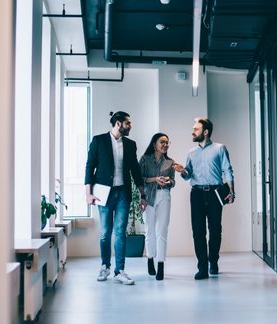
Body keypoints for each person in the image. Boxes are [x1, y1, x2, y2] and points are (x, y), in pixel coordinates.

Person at [85, 111, 147, 285]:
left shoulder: (130, 144)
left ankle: (119, 271)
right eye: (128, 123)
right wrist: (88, 193)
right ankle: (105, 266)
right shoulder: (99, 140)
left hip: (123, 193)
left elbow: (135, 170)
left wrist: (142, 195)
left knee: (120, 232)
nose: (130, 127)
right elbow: (90, 166)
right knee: (105, 232)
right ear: (118, 123)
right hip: (104, 193)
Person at [173, 118, 235, 280]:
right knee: (198, 231)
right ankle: (202, 268)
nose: (192, 132)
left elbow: (227, 170)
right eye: (193, 129)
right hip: (197, 194)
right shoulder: (191, 152)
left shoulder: (220, 148)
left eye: (196, 129)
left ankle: (213, 261)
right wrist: (182, 170)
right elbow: (188, 175)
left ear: (205, 132)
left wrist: (231, 191)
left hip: (215, 193)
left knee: (215, 231)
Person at [139, 133, 176, 281]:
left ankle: (161, 264)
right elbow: (140, 178)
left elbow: (173, 182)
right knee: (150, 230)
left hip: (164, 196)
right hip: (148, 197)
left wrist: (168, 180)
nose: (165, 145)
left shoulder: (170, 162)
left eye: (167, 142)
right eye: (162, 142)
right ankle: (150, 258)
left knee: (162, 231)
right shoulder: (144, 159)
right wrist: (155, 179)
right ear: (154, 144)